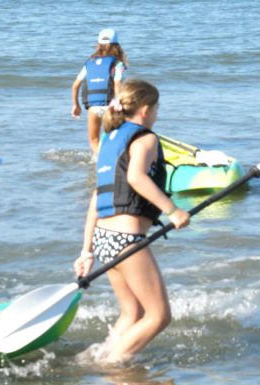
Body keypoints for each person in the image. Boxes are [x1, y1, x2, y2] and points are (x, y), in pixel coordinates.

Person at [73, 79, 191, 364]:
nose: (157, 115)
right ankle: (112, 365)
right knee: (159, 316)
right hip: (126, 240)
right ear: (146, 109)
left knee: (133, 313)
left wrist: (87, 250)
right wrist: (173, 211)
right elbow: (135, 177)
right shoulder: (146, 138)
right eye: (157, 109)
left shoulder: (109, 141)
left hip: (104, 237)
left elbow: (96, 199)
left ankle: (95, 357)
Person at [70, 28, 129, 158]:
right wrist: (119, 104)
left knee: (94, 140)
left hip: (93, 108)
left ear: (98, 44)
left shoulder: (89, 63)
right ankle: (114, 160)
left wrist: (76, 105)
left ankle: (101, 160)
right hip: (110, 106)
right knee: (114, 138)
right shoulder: (117, 63)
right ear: (117, 46)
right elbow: (117, 84)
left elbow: (75, 86)